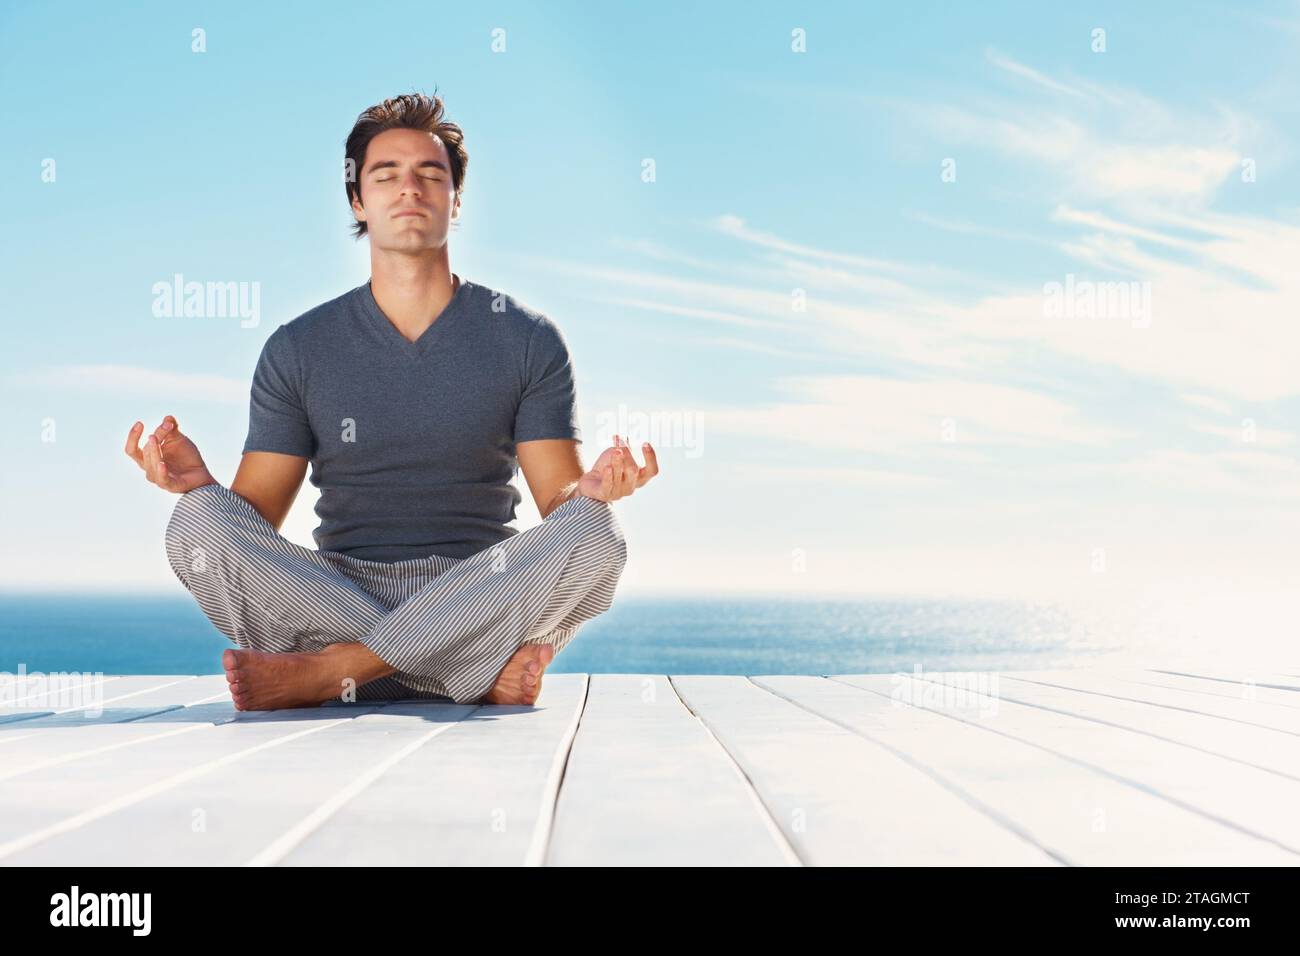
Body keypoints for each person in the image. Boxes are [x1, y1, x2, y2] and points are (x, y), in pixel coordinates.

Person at [122, 92, 658, 711]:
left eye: (432, 175)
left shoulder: (527, 338)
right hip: (338, 592)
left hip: (482, 585)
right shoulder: (298, 347)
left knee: (598, 533)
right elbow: (253, 520)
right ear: (358, 199)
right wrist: (198, 483)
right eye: (387, 175)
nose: (411, 189)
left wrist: (595, 490)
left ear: (456, 201)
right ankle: (464, 668)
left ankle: (340, 671)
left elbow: (561, 505)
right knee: (197, 522)